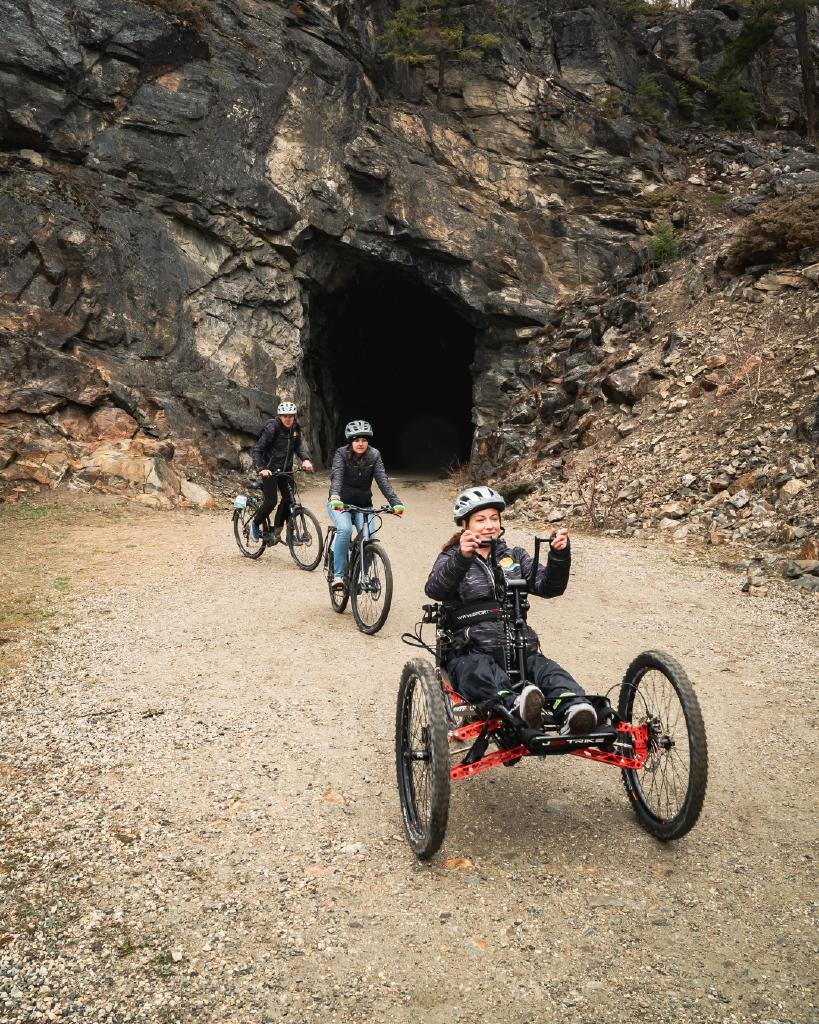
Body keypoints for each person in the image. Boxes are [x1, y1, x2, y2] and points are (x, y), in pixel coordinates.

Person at [424, 485, 598, 735]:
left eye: (494, 518)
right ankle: (516, 706)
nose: (489, 525)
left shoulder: (514, 556)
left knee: (549, 672)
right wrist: (461, 557)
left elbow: (548, 586)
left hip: (518, 647)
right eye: (480, 520)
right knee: (482, 673)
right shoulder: (451, 557)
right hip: (470, 651)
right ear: (465, 524)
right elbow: (435, 589)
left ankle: (575, 709)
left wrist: (559, 555)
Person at [328, 420, 405, 589]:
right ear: (351, 441)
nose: (360, 443)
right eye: (356, 440)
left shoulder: (374, 455)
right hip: (341, 504)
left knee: (369, 539)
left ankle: (359, 575)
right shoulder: (341, 454)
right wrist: (334, 496)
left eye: (364, 440)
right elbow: (337, 476)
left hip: (364, 505)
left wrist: (395, 503)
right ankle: (338, 576)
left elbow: (383, 480)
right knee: (345, 529)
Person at [250, 401, 314, 542]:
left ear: (294, 416)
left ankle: (279, 531)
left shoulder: (295, 428)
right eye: (285, 416)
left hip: (286, 471)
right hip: (270, 471)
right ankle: (254, 524)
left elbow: (298, 447)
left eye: (290, 416)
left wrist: (305, 459)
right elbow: (257, 451)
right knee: (271, 501)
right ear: (279, 416)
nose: (288, 419)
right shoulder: (272, 428)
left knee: (289, 500)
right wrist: (261, 468)